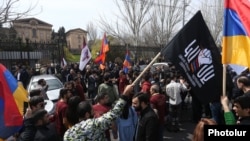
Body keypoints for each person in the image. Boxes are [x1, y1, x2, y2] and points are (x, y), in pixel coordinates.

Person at [63, 84, 134, 141]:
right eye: (92, 111)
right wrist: (125, 95)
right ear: (87, 114)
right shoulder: (93, 125)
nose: (94, 113)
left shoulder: (67, 134)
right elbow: (113, 114)